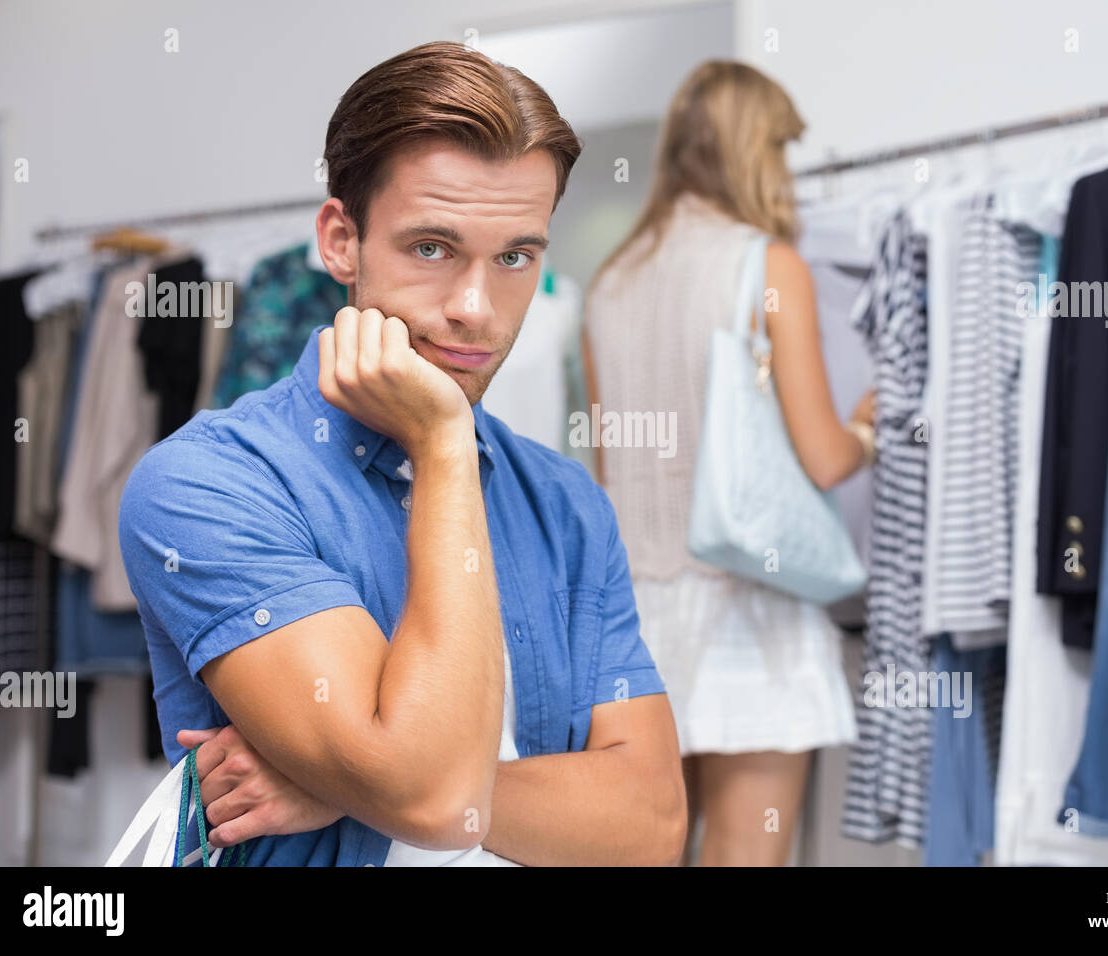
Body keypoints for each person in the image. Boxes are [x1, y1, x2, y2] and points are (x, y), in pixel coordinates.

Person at [117, 41, 685, 866]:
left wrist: (348, 792)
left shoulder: (563, 500)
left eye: (515, 257)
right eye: (431, 248)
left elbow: (653, 824)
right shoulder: (207, 485)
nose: (475, 309)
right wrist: (447, 445)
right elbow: (431, 799)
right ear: (341, 241)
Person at [581, 60, 876, 866]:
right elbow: (821, 458)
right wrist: (867, 429)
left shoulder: (610, 280)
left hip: (636, 615)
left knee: (643, 850)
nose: (784, 172)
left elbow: (609, 466)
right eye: (779, 150)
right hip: (753, 604)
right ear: (754, 151)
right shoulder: (766, 265)